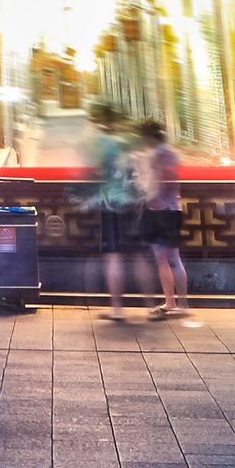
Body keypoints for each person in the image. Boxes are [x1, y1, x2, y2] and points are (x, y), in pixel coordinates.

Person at [81, 104, 143, 323]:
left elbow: (90, 169)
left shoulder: (102, 143)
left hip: (110, 202)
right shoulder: (128, 141)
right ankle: (152, 303)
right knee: (139, 255)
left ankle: (117, 308)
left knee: (113, 255)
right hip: (132, 202)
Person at [130, 119, 194, 321]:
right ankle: (181, 303)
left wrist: (150, 201)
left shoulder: (156, 155)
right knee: (174, 258)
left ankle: (171, 302)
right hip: (174, 207)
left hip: (160, 211)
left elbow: (157, 181)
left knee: (162, 258)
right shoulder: (171, 153)